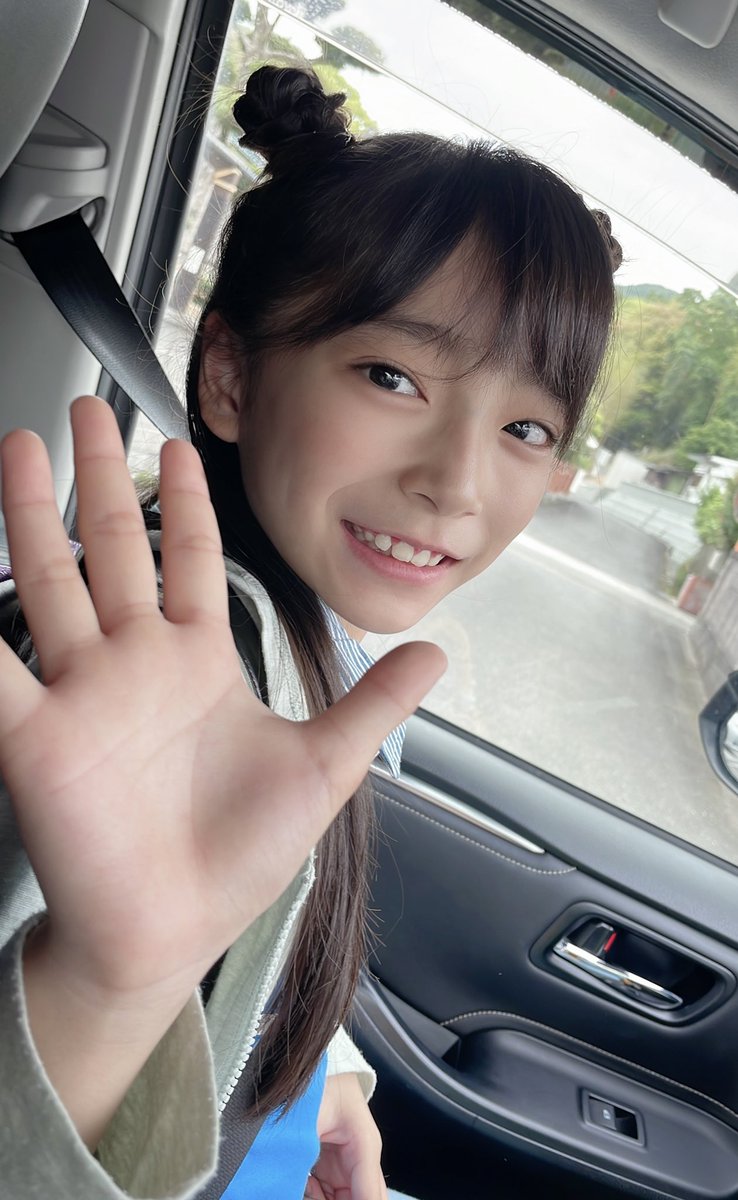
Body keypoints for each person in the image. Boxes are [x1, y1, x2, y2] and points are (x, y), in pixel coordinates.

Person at [0, 65, 621, 1200]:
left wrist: (320, 1073)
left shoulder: (313, 657)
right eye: (392, 376)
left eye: (528, 427)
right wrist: (103, 987)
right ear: (231, 379)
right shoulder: (138, 679)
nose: (457, 484)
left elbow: (239, 948)